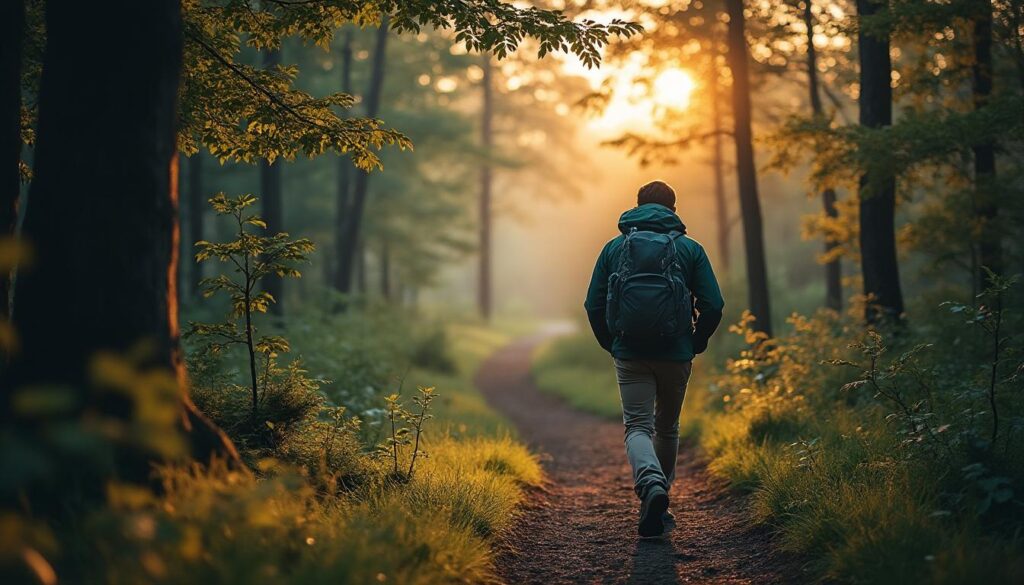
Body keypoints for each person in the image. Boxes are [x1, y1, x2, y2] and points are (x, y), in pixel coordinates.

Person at [584, 180, 724, 538]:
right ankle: (662, 502)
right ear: (673, 211)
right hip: (677, 352)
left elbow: (593, 303)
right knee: (667, 427)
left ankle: (650, 487)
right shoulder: (690, 248)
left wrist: (610, 342)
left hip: (630, 352)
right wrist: (697, 341)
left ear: (637, 207)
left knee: (638, 427)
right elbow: (713, 304)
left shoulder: (615, 247)